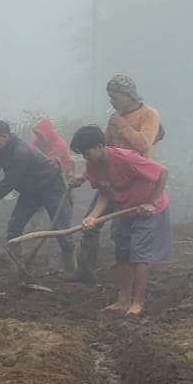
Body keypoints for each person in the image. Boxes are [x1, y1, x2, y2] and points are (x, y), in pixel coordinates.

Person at [71, 76, 163, 284]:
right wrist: (83, 176)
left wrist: (122, 125)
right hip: (110, 181)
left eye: (114, 97)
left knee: (124, 233)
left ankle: (128, 277)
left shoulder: (149, 114)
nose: (111, 102)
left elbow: (143, 145)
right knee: (90, 224)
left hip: (136, 183)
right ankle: (86, 273)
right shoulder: (114, 118)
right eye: (110, 98)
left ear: (127, 95)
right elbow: (100, 151)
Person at [71, 125, 171, 315]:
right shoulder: (93, 165)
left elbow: (162, 173)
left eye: (87, 153)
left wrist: (151, 202)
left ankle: (137, 303)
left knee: (139, 255)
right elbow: (104, 193)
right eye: (82, 154)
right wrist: (93, 217)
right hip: (124, 209)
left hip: (147, 210)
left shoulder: (126, 158)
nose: (85, 158)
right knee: (122, 254)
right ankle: (123, 300)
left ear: (100, 146)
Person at [0, 120, 76, 273]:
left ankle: (72, 272)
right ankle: (15, 267)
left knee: (62, 230)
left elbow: (9, 183)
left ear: (5, 136)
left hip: (52, 187)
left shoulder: (21, 152)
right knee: (14, 226)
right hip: (30, 191)